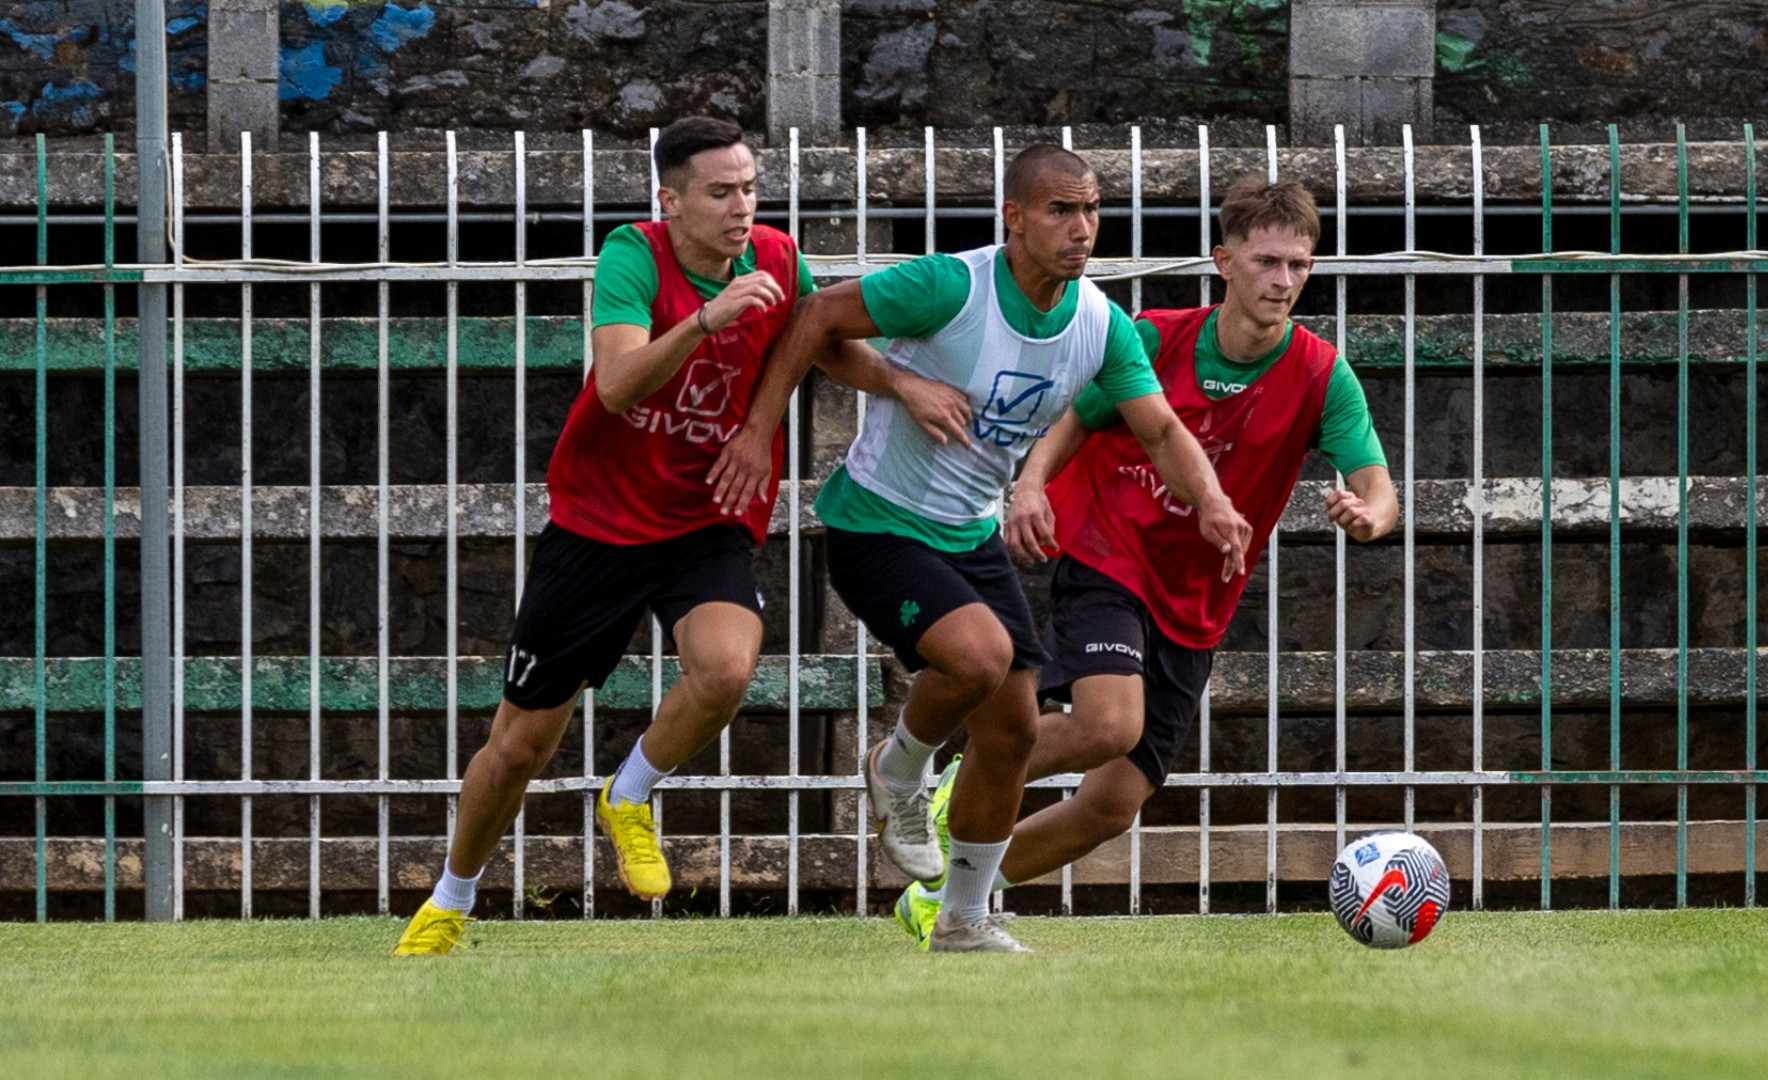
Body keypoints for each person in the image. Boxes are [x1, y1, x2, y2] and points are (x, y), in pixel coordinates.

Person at [393, 116, 962, 955]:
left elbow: (819, 344)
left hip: (706, 517)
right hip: (599, 526)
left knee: (729, 666)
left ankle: (628, 795)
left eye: (750, 189)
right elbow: (617, 383)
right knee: (518, 748)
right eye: (720, 192)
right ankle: (451, 898)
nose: (742, 208)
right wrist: (707, 319)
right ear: (671, 201)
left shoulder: (774, 254)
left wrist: (902, 383)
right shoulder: (633, 254)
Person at [708, 144, 1253, 952]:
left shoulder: (1100, 325)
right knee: (979, 656)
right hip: (877, 522)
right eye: (1061, 211)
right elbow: (815, 316)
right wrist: (817, 411)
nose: (1082, 229)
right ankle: (899, 767)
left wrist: (1211, 500)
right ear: (1015, 217)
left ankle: (963, 918)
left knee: (1013, 731)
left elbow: (1161, 427)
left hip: (967, 537)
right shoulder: (951, 286)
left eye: (1093, 210)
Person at [892, 177, 1400, 947]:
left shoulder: (1320, 373)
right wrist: (1030, 483)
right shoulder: (1155, 337)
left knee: (1110, 806)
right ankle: (962, 784)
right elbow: (1075, 418)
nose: (1283, 281)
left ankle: (953, 893)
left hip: (1198, 600)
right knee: (1106, 723)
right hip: (1108, 551)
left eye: (1299, 265)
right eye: (1267, 261)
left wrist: (1367, 517)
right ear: (1222, 261)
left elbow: (1379, 488)